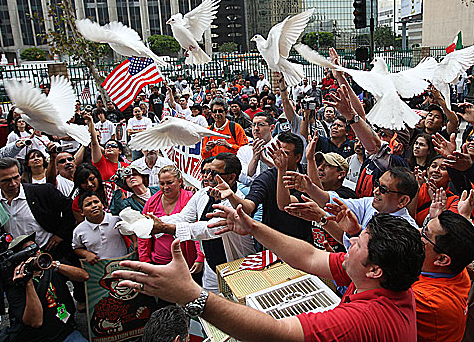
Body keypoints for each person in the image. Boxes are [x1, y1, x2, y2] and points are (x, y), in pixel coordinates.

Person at [113, 212, 424, 342]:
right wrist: (253, 228)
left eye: (360, 243)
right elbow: (310, 257)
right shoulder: (383, 279)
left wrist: (192, 296)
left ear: (374, 269)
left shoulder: (363, 318)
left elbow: (275, 332)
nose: (351, 241)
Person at [149, 153, 255, 293]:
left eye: (215, 173)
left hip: (238, 267)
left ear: (231, 177)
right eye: (207, 172)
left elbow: (209, 229)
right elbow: (184, 217)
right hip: (211, 267)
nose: (208, 177)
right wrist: (150, 222)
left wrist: (166, 228)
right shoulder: (203, 193)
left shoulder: (238, 203)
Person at [283, 166, 418, 250]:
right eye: (377, 184)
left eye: (383, 189)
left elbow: (374, 256)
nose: (376, 191)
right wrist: (310, 188)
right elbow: (334, 203)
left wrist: (356, 232)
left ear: (403, 201)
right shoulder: (370, 204)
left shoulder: (407, 231)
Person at [212, 132, 313, 243]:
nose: (279, 156)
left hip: (304, 240)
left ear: (298, 157)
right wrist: (231, 196)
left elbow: (286, 204)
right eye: (277, 152)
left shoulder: (307, 175)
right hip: (274, 242)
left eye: (285, 153)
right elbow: (248, 206)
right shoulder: (266, 178)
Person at [1, 234, 89, 341]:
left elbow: (84, 276)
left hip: (66, 333)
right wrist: (28, 282)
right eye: (29, 251)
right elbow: (36, 322)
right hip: (40, 338)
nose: (36, 253)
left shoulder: (51, 268)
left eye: (36, 248)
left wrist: (54, 265)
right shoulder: (16, 284)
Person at [0, 157, 75, 260]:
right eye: (6, 180)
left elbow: (69, 208)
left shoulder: (43, 191)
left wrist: (61, 235)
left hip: (49, 253)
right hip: (15, 258)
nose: (13, 184)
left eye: (16, 177)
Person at [413, 210, 474, 342]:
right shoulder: (457, 269)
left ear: (442, 260)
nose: (417, 233)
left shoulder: (428, 301)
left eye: (425, 234)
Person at [139, 166, 204, 279]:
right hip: (159, 262)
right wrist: (145, 260)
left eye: (169, 183)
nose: (165, 187)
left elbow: (197, 227)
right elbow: (143, 232)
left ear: (180, 182)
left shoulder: (190, 199)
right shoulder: (152, 202)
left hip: (187, 262)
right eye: (162, 183)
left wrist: (200, 256)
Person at [72, 191, 129, 264]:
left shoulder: (116, 219)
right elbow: (77, 248)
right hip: (100, 269)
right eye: (88, 204)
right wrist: (86, 254)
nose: (94, 206)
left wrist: (135, 243)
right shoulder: (79, 230)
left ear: (102, 205)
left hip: (124, 264)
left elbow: (131, 233)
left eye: (96, 202)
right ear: (81, 212)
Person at [409, 156, 459, 226]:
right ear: (427, 170)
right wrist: (415, 188)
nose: (436, 170)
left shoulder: (454, 200)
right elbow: (408, 217)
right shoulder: (418, 189)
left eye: (443, 168)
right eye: (434, 166)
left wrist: (434, 199)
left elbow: (447, 227)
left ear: (450, 177)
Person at [85, 112, 128, 182]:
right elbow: (94, 143)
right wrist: (91, 123)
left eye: (113, 146)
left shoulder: (125, 166)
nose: (110, 147)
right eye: (107, 146)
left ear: (120, 151)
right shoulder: (101, 162)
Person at [237, 112, 275, 186]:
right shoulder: (244, 150)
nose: (256, 128)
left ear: (272, 128)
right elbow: (243, 179)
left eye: (261, 124)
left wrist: (266, 161)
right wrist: (255, 159)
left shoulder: (279, 147)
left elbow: (285, 174)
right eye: (254, 125)